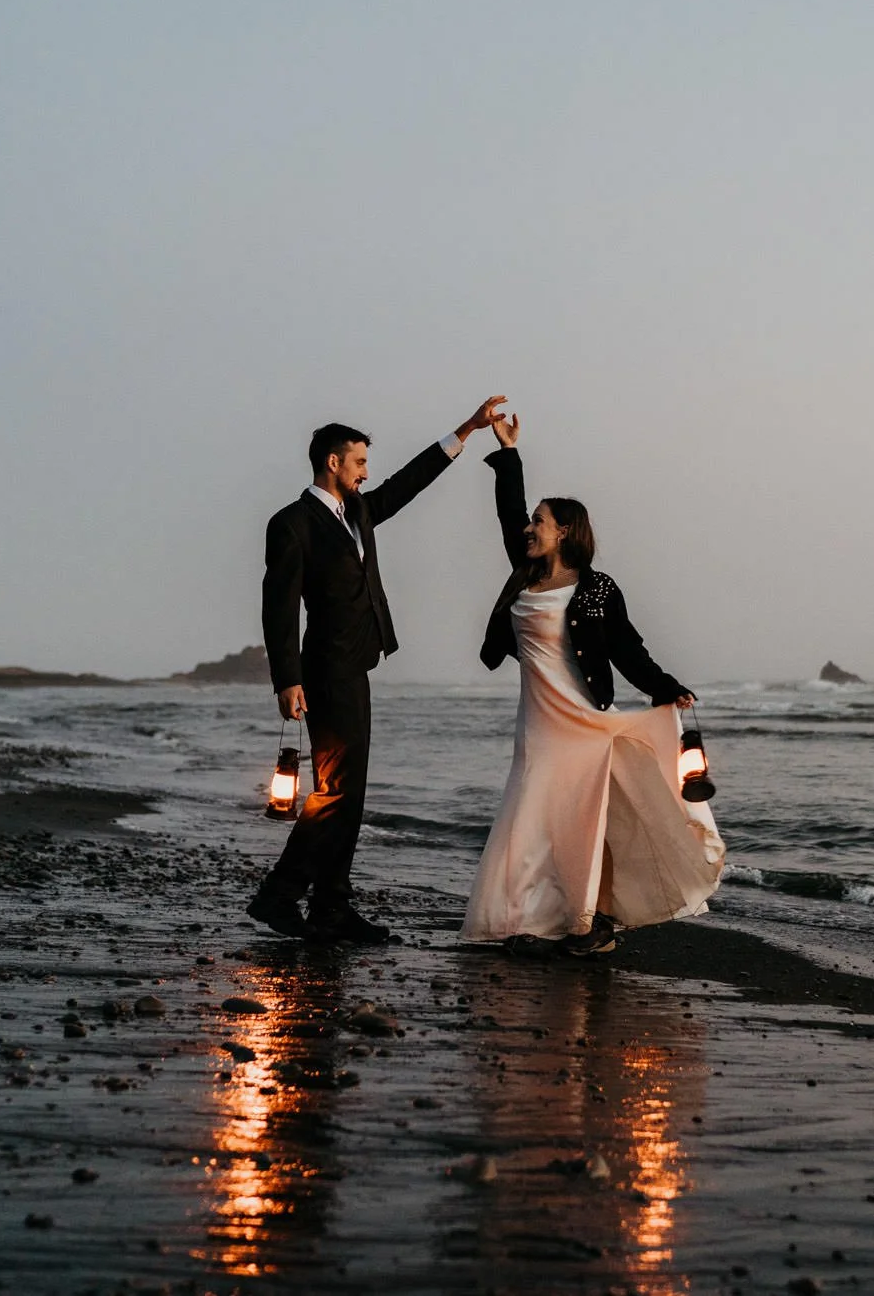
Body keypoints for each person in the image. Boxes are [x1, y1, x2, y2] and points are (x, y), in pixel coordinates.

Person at [462, 412, 724, 954]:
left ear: (564, 532)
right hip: (538, 721)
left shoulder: (597, 589)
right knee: (530, 815)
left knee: (578, 821)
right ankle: (525, 920)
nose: (529, 528)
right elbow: (507, 509)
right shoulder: (525, 571)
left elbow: (629, 648)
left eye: (541, 522)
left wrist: (665, 687)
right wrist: (508, 453)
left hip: (583, 719)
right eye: (531, 521)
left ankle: (585, 921)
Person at [250, 397, 508, 943]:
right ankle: (281, 893)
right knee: (337, 791)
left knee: (348, 792)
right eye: (359, 462)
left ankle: (329, 908)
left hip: (356, 665)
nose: (367, 473)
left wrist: (468, 429)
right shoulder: (292, 524)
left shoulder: (359, 511)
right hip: (324, 668)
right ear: (332, 464)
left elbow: (407, 483)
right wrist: (287, 679)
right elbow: (279, 605)